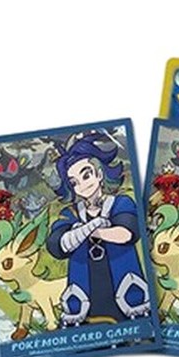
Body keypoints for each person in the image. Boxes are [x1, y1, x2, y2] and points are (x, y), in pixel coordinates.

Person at [46, 131, 150, 326]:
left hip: (125, 292)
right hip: (84, 296)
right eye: (74, 182)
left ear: (99, 174)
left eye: (86, 175)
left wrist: (86, 231)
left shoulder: (121, 203)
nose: (82, 185)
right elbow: (58, 245)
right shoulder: (70, 213)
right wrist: (92, 226)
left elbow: (125, 234)